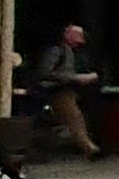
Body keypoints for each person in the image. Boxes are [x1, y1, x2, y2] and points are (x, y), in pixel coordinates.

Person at [32, 23, 99, 155]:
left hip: (74, 90)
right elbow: (45, 72)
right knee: (73, 117)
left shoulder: (79, 54)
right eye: (76, 35)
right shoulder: (57, 51)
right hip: (58, 90)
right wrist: (74, 78)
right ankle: (88, 147)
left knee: (70, 118)